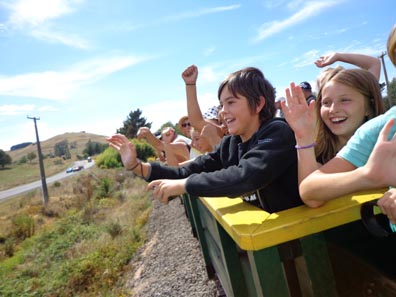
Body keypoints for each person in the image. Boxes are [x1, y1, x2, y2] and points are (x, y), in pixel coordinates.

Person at [107, 66, 302, 212]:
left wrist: (185, 185)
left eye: (231, 102)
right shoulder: (232, 143)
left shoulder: (277, 132)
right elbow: (188, 169)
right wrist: (135, 165)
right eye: (222, 104)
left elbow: (245, 176)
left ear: (258, 103)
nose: (223, 111)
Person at [282, 67, 384, 188]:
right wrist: (303, 136)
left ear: (369, 106)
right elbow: (312, 193)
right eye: (326, 102)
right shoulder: (316, 152)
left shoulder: (387, 145)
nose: (333, 110)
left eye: (345, 100)